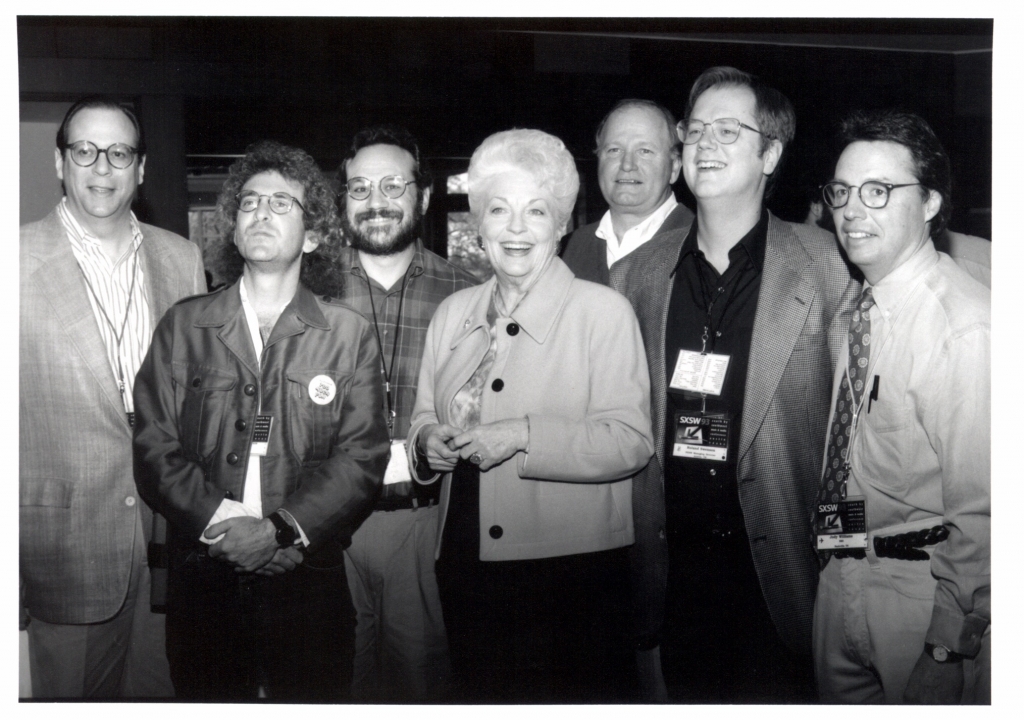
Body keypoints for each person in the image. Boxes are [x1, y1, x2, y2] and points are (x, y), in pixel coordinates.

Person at [614, 67, 859, 702]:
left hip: (789, 573)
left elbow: (854, 445)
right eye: (694, 131)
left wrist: (847, 566)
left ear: (771, 153)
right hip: (675, 573)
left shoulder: (831, 269)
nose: (704, 144)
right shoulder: (637, 276)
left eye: (728, 130)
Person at [132, 140, 390, 701]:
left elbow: (363, 457)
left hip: (307, 575)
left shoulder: (347, 335)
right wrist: (228, 529)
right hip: (205, 576)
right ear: (232, 225)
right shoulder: (184, 326)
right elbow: (153, 447)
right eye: (249, 203)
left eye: (281, 203)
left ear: (315, 233)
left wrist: (277, 534)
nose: (261, 213)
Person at [408, 128, 654, 703]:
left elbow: (631, 440)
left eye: (535, 211)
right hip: (466, 558)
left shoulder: (604, 312)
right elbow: (422, 415)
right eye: (499, 209)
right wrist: (427, 443)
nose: (516, 229)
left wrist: (521, 435)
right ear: (480, 223)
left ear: (562, 223)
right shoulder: (452, 311)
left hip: (572, 578)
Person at [20, 96, 204, 698]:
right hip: (61, 543)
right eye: (85, 151)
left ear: (141, 168)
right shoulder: (11, 261)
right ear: (60, 162)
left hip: (167, 538)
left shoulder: (183, 258)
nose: (103, 168)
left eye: (119, 153)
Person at [813, 110, 990, 704]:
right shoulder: (864, 308)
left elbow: (987, 516)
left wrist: (949, 645)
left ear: (932, 202)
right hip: (842, 578)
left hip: (921, 597)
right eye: (841, 192)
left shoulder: (964, 328)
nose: (851, 210)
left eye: (879, 191)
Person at [333, 125, 477, 702]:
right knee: (332, 683)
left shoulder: (468, 294)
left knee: (421, 687)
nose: (376, 202)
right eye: (360, 187)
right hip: (324, 527)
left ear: (422, 196)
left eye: (393, 185)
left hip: (426, 523)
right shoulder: (307, 291)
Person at [560, 99, 693, 286]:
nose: (627, 164)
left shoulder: (702, 246)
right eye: (614, 150)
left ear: (674, 168)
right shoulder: (566, 250)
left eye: (644, 151)